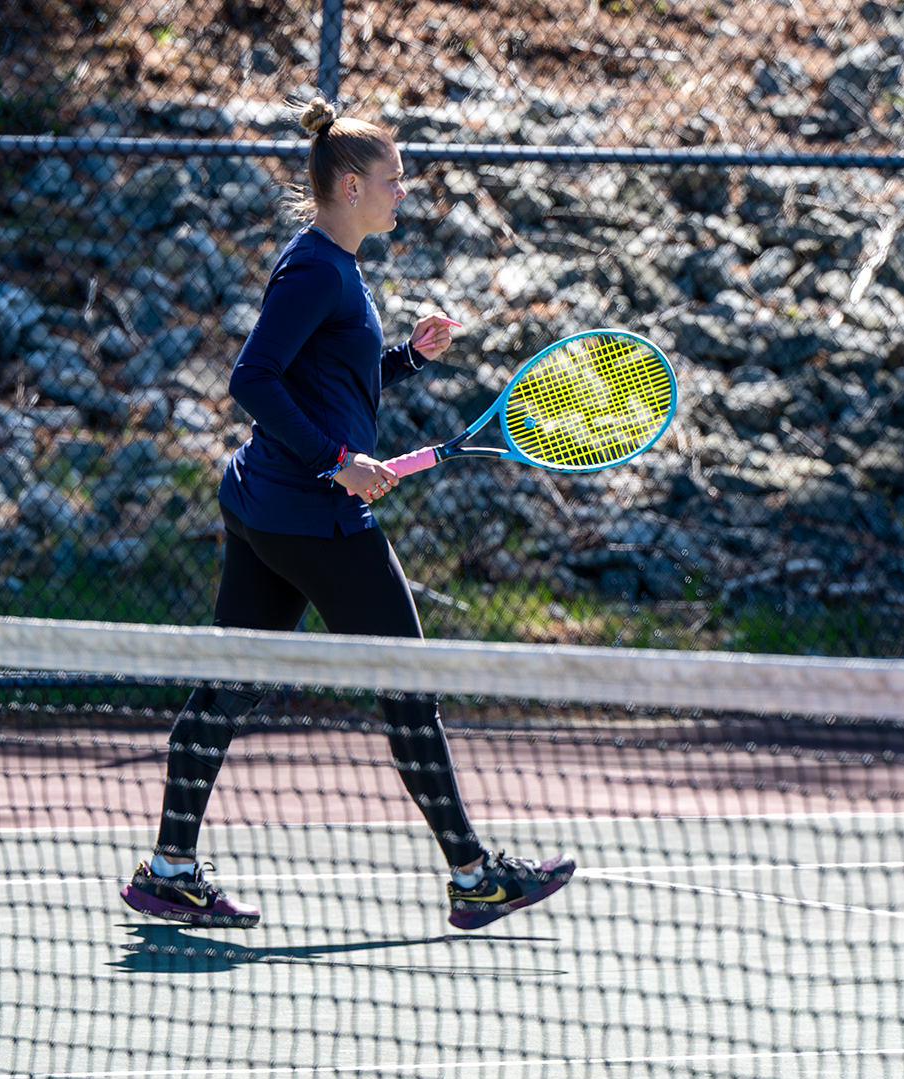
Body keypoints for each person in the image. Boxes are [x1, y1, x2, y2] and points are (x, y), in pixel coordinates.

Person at [119, 98, 575, 932]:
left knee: (229, 684)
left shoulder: (332, 263)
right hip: (313, 516)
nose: (404, 192)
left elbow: (325, 380)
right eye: (395, 180)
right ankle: (475, 877)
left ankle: (170, 871)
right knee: (408, 688)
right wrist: (338, 462)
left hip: (267, 505)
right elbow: (254, 378)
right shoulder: (318, 270)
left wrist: (407, 357)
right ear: (353, 186)